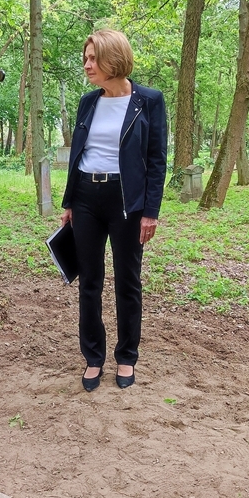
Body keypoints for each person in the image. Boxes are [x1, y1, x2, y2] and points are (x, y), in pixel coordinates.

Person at [60, 29, 167, 392]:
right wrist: (69, 202)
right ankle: (93, 357)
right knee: (89, 281)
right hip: (86, 196)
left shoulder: (149, 100)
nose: (87, 65)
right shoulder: (88, 101)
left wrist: (150, 212)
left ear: (114, 60)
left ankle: (126, 356)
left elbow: (157, 161)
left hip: (127, 201)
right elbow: (78, 154)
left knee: (128, 281)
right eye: (86, 58)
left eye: (94, 58)